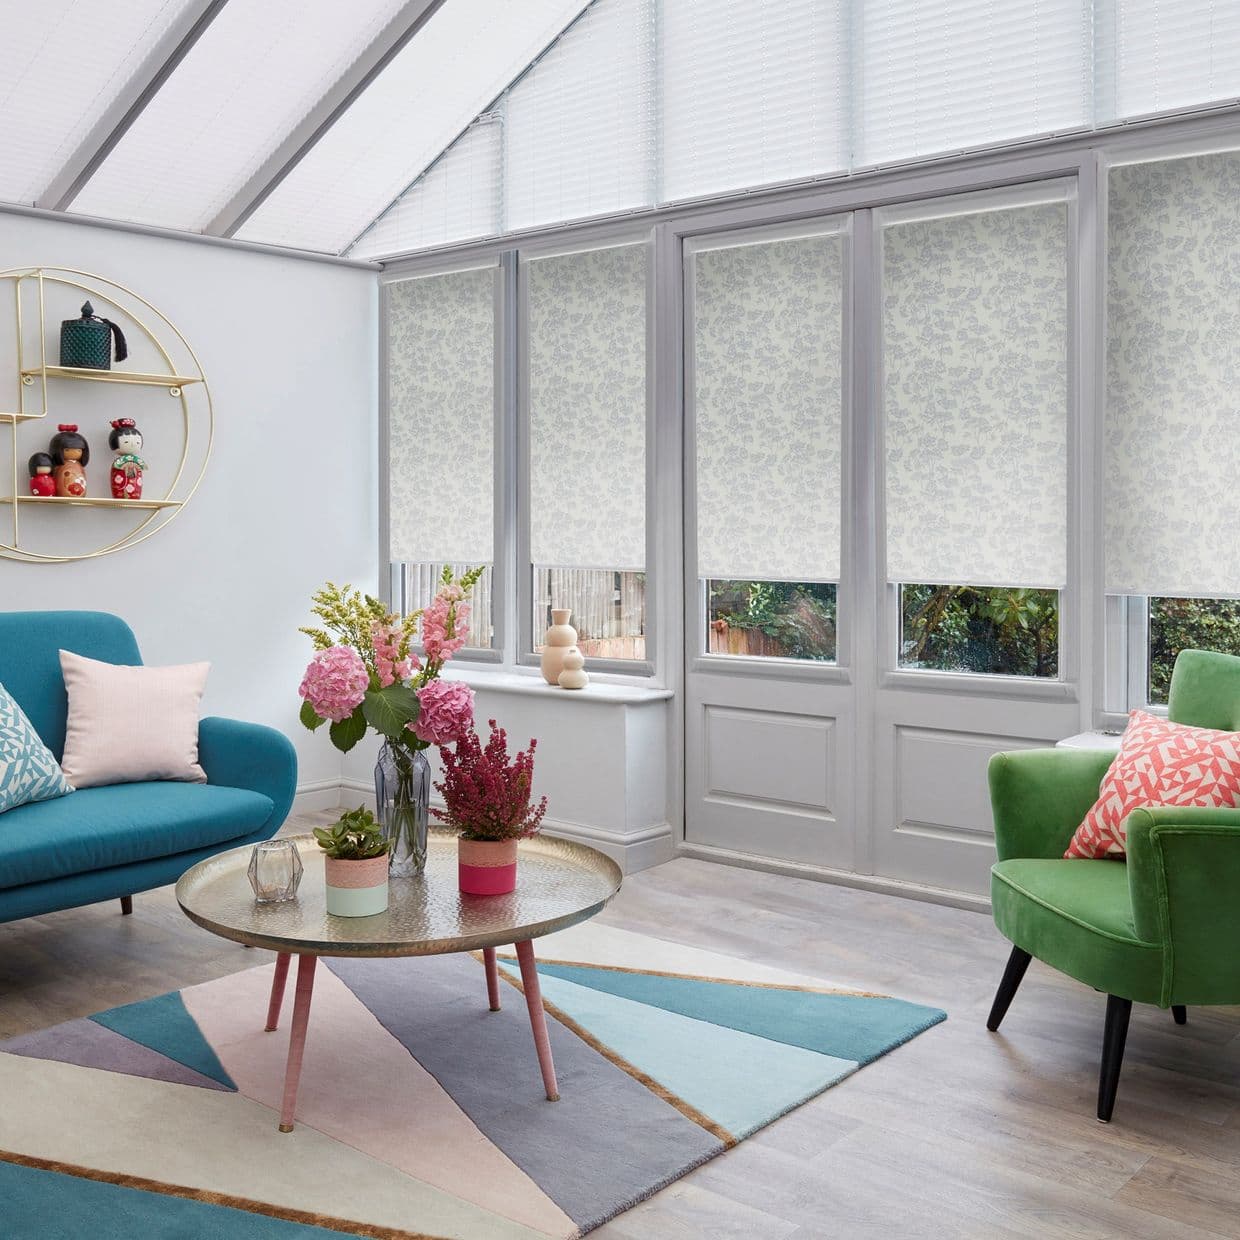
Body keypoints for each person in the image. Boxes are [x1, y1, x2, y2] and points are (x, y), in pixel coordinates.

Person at [108, 418, 146, 500]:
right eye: (126, 442)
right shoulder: (118, 462)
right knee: (120, 481)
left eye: (137, 442)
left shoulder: (136, 461)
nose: (133, 444)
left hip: (134, 486)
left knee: (135, 482)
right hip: (121, 488)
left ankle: (135, 495)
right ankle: (120, 495)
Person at [49, 424, 89, 498]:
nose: (74, 452)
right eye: (67, 450)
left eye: (79, 450)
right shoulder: (61, 465)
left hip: (80, 490)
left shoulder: (79, 465)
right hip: (64, 491)